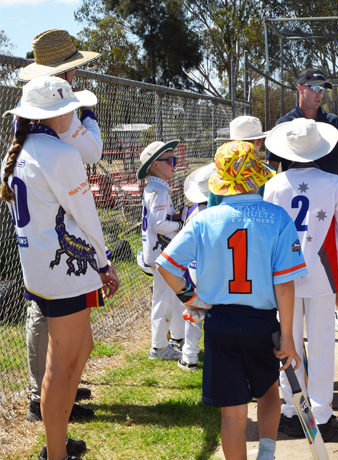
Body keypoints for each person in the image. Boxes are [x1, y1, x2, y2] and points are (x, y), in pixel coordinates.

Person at [156, 140, 304, 460]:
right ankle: (266, 453)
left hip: (220, 322)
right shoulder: (277, 217)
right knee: (268, 389)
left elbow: (166, 265)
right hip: (261, 323)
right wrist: (288, 335)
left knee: (232, 412)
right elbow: (285, 283)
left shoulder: (204, 218)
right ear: (257, 176)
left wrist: (191, 298)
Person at [2, 76, 120, 460]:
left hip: (41, 269)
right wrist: (104, 262)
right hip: (66, 275)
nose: (74, 116)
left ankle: (58, 440)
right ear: (56, 114)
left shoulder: (19, 151)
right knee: (61, 364)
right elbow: (86, 217)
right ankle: (56, 453)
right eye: (70, 109)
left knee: (80, 348)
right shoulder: (58, 154)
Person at [16, 28, 104, 424]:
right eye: (72, 68)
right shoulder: (54, 112)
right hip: (53, 238)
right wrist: (86, 114)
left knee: (55, 326)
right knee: (46, 322)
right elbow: (92, 151)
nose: (76, 74)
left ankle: (56, 389)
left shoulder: (36, 110)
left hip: (42, 236)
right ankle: (45, 394)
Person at [263, 118, 338, 440]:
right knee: (322, 344)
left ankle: (292, 412)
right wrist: (329, 258)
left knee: (287, 343)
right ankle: (322, 414)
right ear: (319, 148)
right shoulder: (334, 182)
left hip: (283, 276)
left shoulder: (274, 184)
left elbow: (268, 230)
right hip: (321, 273)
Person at [266, 68, 338, 336]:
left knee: (332, 256)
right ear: (300, 88)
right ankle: (290, 319)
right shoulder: (284, 123)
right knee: (292, 254)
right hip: (294, 199)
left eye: (323, 89)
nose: (320, 94)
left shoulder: (332, 121)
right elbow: (272, 166)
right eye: (315, 88)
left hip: (326, 198)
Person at [138, 140, 187, 361]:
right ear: (155, 165)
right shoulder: (158, 190)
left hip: (160, 253)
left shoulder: (155, 188)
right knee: (163, 300)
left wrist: (174, 218)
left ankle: (177, 338)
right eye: (171, 160)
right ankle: (158, 347)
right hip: (161, 255)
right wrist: (181, 224)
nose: (175, 164)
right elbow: (158, 224)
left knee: (173, 297)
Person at [174, 164, 216, 370]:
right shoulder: (218, 211)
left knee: (193, 312)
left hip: (192, 268)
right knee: (214, 312)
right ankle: (214, 354)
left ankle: (189, 356)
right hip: (213, 269)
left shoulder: (192, 211)